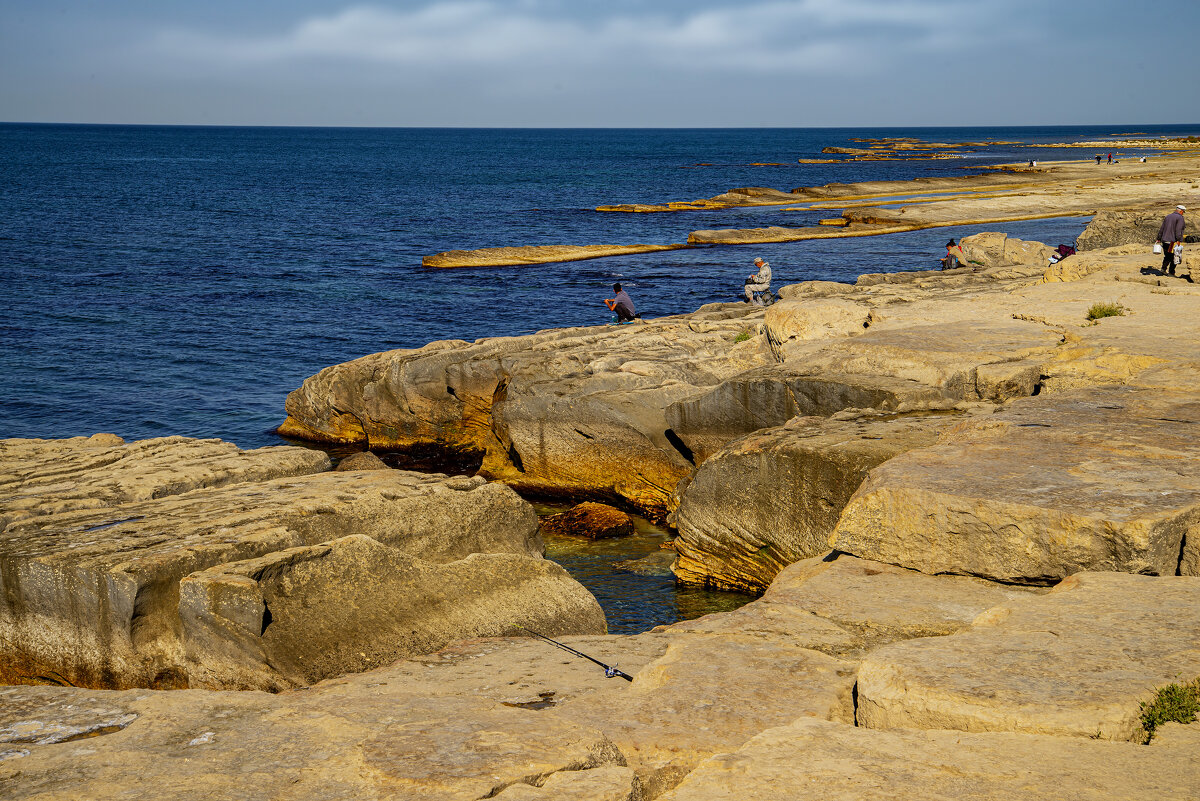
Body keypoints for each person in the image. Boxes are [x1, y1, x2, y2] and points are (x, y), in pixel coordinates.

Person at [1157, 205, 1186, 277]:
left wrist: (1158, 238)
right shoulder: (1180, 218)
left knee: (1167, 256)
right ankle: (1171, 272)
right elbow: (1178, 230)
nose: (1183, 213)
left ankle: (1163, 269)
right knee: (1175, 256)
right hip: (1172, 241)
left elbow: (1162, 228)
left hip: (1164, 240)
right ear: (1181, 211)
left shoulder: (1168, 216)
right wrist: (1179, 240)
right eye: (1183, 212)